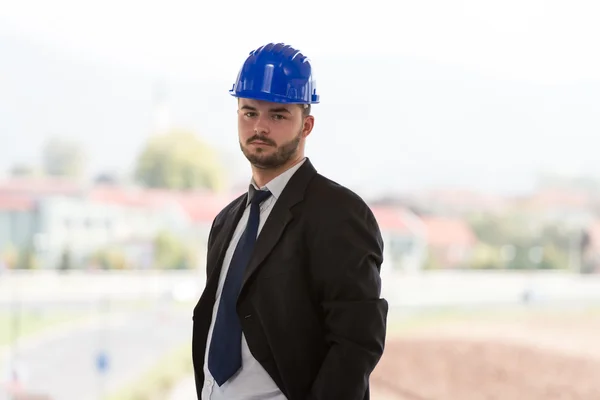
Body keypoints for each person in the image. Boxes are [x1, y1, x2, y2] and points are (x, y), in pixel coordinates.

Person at [192, 42, 388, 400]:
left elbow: (357, 343)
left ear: (306, 124)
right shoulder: (227, 222)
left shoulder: (339, 214)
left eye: (278, 115)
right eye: (249, 112)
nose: (260, 127)